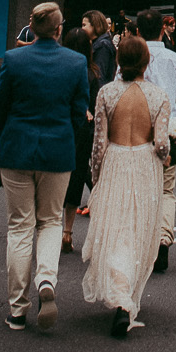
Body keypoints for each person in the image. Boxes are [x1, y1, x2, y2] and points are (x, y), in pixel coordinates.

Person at [0, 1, 91, 333]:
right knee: (49, 221)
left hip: (16, 148)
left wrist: (5, 133)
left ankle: (17, 309)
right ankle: (46, 280)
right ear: (59, 29)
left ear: (32, 28)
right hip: (58, 151)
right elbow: (80, 111)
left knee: (20, 226)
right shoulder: (76, 62)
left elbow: (0, 105)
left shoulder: (13, 59)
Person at [81, 34, 169, 337]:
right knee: (137, 229)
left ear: (119, 61)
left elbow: (99, 142)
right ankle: (125, 297)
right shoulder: (158, 96)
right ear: (146, 62)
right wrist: (167, 158)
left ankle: (120, 294)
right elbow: (161, 144)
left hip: (115, 161)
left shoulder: (106, 93)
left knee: (116, 229)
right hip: (144, 164)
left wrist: (96, 175)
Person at [136, 8, 176, 271]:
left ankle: (140, 240)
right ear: (163, 29)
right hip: (168, 128)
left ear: (138, 31)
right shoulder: (175, 59)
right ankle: (163, 238)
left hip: (136, 130)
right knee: (166, 190)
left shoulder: (131, 59)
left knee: (139, 188)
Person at [60, 25, 99, 253]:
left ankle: (51, 226)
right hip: (82, 130)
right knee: (76, 179)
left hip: (62, 126)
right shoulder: (92, 72)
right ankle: (68, 231)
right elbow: (93, 104)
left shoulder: (61, 68)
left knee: (56, 177)